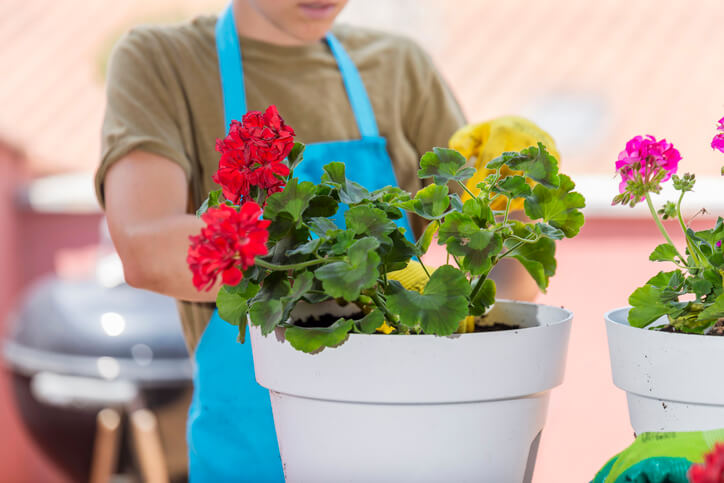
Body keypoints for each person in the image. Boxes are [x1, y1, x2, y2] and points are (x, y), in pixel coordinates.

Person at [96, 1, 537, 480]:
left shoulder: (399, 67)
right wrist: (333, 268)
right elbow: (146, 248)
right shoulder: (163, 61)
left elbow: (508, 272)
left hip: (413, 450)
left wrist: (515, 206)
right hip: (253, 461)